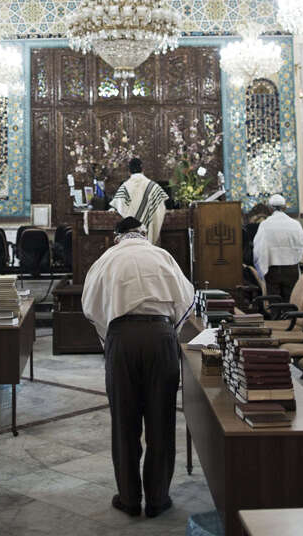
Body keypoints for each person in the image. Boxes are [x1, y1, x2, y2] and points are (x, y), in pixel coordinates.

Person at [81, 216, 195, 520]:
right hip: (160, 336)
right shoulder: (162, 256)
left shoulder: (107, 259)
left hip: (122, 339)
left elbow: (90, 306)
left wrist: (111, 337)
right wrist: (168, 331)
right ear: (144, 234)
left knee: (124, 422)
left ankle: (129, 499)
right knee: (162, 420)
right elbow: (187, 300)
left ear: (117, 236)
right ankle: (158, 499)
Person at [252, 194, 303, 301]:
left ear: (270, 209)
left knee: (274, 302)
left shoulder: (265, 225)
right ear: (285, 207)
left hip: (272, 269)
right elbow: (301, 245)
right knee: (290, 301)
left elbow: (258, 249)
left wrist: (260, 267)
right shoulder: (295, 224)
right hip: (291, 269)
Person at [110, 157, 170, 244]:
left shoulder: (124, 187)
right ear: (142, 169)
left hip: (131, 235)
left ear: (129, 171)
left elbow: (119, 207)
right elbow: (161, 208)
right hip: (149, 230)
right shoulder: (154, 187)